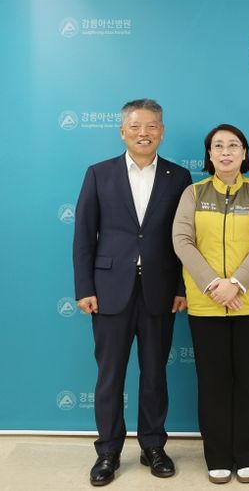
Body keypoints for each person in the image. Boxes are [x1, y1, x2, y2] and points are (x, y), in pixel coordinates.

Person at [73, 99, 191, 486]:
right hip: (109, 292)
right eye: (136, 126)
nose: (144, 133)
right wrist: (85, 287)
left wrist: (181, 287)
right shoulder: (99, 174)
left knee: (155, 373)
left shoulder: (179, 176)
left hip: (160, 291)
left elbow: (186, 238)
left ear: (162, 132)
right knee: (110, 376)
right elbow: (84, 236)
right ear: (122, 131)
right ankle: (108, 451)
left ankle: (153, 446)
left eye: (152, 126)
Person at [172, 124, 249, 484]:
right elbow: (182, 240)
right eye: (218, 146)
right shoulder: (193, 193)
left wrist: (236, 284)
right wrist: (213, 284)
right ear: (209, 155)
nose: (226, 151)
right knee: (213, 382)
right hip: (206, 304)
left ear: (244, 153)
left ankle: (248, 455)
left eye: (233, 145)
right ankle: (216, 456)